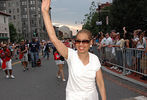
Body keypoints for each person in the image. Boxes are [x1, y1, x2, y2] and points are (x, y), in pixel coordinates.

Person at [41, 0, 106, 100]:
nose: (81, 44)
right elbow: (54, 39)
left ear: (91, 43)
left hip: (92, 97)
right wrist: (45, 12)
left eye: (85, 41)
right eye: (78, 41)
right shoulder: (71, 55)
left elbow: (100, 82)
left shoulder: (95, 59)